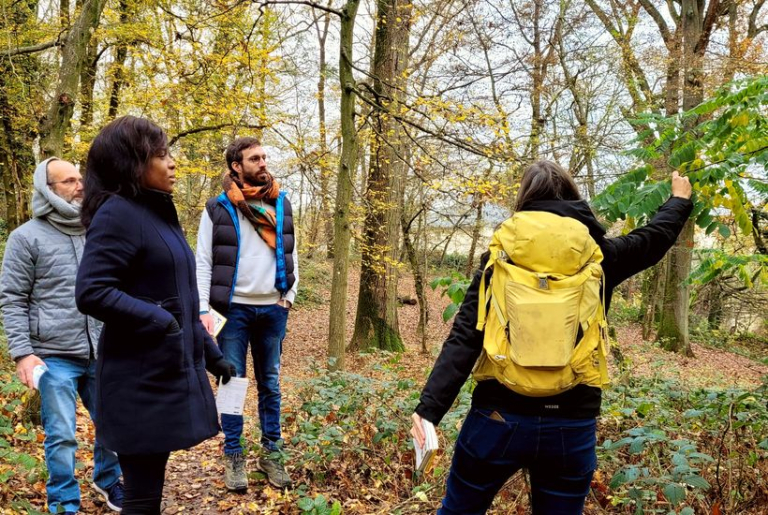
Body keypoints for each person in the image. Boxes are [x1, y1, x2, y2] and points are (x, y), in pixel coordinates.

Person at [411, 161, 693, 515]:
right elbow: (654, 239)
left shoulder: (498, 259)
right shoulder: (599, 256)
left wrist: (429, 411)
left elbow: (465, 337)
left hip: (497, 417)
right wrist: (678, 200)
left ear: (524, 200)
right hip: (571, 421)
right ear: (573, 198)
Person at [75, 116, 235, 514]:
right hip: (138, 381)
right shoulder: (118, 213)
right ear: (132, 163)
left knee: (148, 495)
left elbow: (178, 297)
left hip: (164, 373)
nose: (173, 163)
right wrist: (160, 321)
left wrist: (211, 353)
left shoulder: (156, 214)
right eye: (161, 155)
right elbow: (92, 291)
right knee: (143, 500)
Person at [0, 158, 123, 514]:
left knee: (111, 424)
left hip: (102, 348)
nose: (80, 185)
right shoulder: (25, 238)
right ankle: (64, 502)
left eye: (80, 178)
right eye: (68, 181)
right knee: (62, 436)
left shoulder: (98, 229)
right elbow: (12, 298)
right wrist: (22, 353)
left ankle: (108, 480)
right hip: (52, 355)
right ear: (48, 190)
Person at [196, 137, 298, 491]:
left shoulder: (281, 202)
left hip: (273, 309)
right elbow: (204, 261)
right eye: (254, 157)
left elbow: (290, 252)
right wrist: (203, 309)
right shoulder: (218, 208)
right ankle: (234, 455)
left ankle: (272, 453)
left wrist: (289, 297)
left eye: (264, 156)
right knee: (232, 383)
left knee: (270, 384)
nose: (262, 162)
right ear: (236, 166)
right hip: (233, 310)